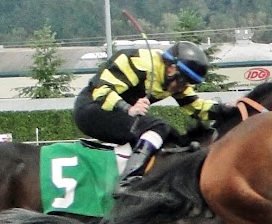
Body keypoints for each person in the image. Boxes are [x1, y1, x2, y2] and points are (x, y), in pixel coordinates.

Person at [74, 40, 238, 184]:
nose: (183, 88)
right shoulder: (137, 62)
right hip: (92, 109)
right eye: (183, 81)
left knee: (175, 138)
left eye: (189, 83)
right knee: (158, 126)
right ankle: (129, 181)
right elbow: (101, 91)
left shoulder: (174, 78)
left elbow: (196, 107)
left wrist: (230, 109)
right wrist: (127, 108)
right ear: (171, 69)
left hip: (121, 115)